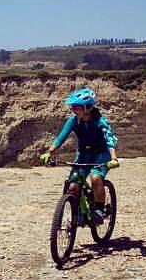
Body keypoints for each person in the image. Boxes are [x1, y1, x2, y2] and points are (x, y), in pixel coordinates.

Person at [39, 87, 120, 223]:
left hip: (101, 154)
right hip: (84, 153)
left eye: (76, 107)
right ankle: (78, 213)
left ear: (87, 108)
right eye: (72, 107)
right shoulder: (73, 121)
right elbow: (61, 138)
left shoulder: (100, 122)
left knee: (95, 178)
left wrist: (114, 158)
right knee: (73, 186)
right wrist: (49, 152)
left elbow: (110, 140)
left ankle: (99, 210)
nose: (73, 110)